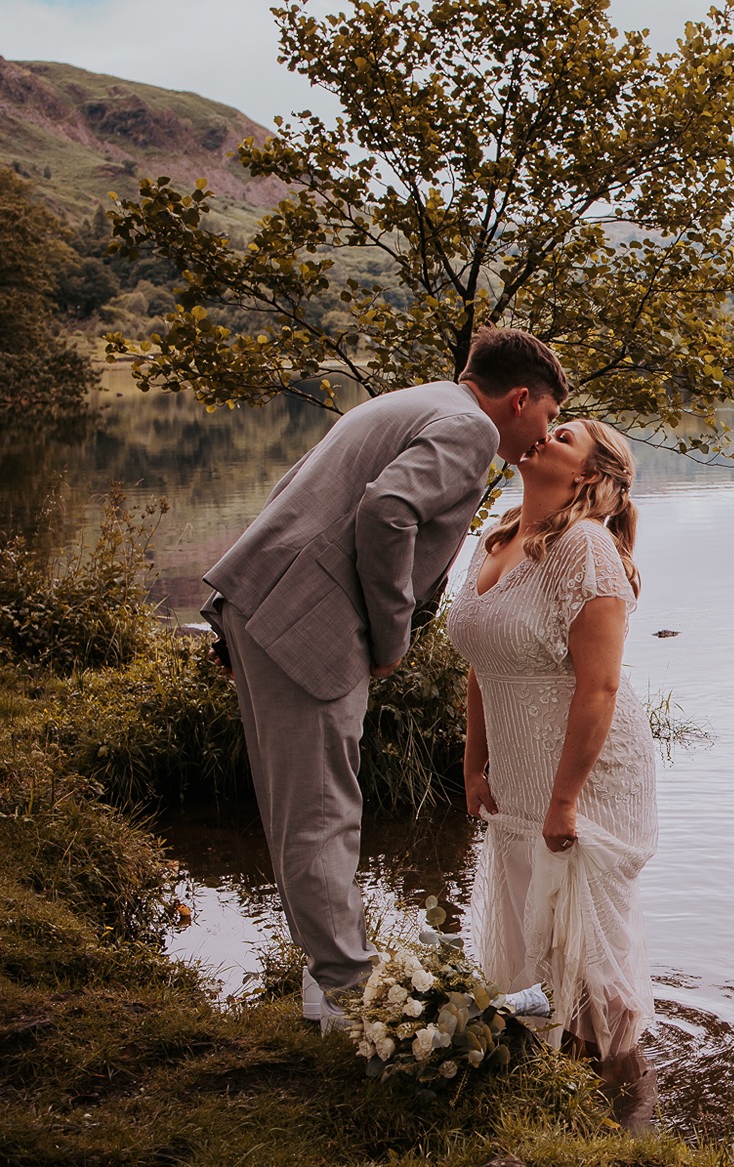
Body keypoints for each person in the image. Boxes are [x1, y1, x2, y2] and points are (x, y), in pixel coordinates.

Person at [203, 329, 567, 1030]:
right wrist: (391, 632)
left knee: (296, 808)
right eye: (548, 417)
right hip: (310, 627)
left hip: (269, 608)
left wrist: (241, 607)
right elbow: (387, 510)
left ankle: (324, 975)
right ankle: (351, 995)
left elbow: (299, 491)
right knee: (321, 811)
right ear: (520, 398)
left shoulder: (415, 401)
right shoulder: (465, 428)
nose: (544, 436)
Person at [445, 418, 658, 1117]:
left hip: (585, 777)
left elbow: (599, 687)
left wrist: (564, 800)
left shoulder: (586, 548)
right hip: (516, 766)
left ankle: (615, 1108)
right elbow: (482, 662)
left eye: (563, 434)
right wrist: (475, 762)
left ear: (589, 475)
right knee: (530, 927)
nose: (542, 433)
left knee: (584, 944)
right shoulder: (498, 538)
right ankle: (552, 1085)